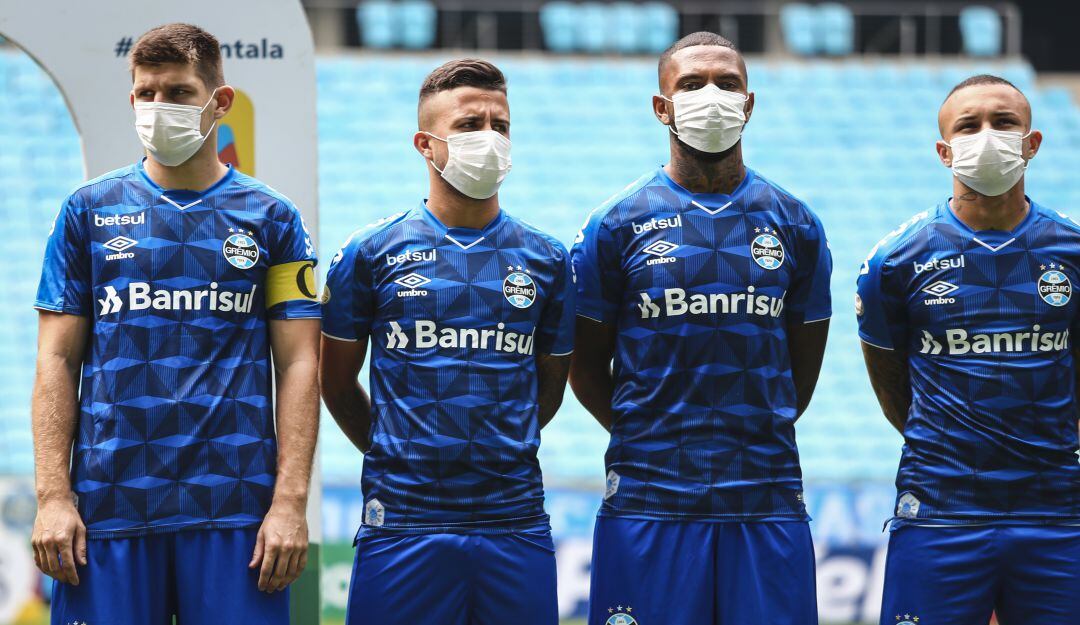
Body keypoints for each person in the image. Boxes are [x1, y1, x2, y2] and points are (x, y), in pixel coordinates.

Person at [30, 24, 320, 625]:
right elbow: (56, 358)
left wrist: (290, 502)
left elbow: (299, 361)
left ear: (220, 101)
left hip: (235, 512)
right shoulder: (87, 211)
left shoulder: (275, 218)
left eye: (180, 92)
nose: (160, 107)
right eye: (147, 93)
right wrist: (53, 495)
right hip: (107, 509)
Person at [570, 32, 832, 625]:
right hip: (648, 499)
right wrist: (652, 436)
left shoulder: (796, 224)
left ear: (748, 103)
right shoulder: (614, 225)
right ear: (662, 106)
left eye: (726, 83)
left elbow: (801, 373)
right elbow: (583, 370)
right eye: (691, 85)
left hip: (765, 498)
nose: (710, 96)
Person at [319, 58, 574, 625]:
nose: (489, 138)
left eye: (500, 125)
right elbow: (333, 383)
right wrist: (395, 452)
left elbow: (549, 390)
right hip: (404, 521)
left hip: (514, 519)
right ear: (425, 145)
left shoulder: (549, 259)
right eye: (469, 125)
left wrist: (497, 446)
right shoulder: (369, 253)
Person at [857, 74, 1080, 625]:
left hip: (1057, 512)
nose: (986, 136)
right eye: (968, 125)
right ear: (944, 150)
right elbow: (892, 387)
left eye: (1003, 123)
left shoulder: (1072, 250)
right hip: (939, 510)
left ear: (1032, 143)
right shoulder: (895, 262)